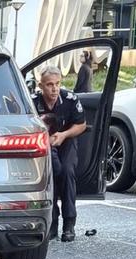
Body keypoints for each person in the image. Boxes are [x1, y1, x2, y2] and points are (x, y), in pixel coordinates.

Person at [32, 65, 86, 242]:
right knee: (52, 175)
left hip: (66, 139)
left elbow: (81, 125)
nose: (54, 89)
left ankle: (69, 223)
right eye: (49, 85)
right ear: (41, 86)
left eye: (57, 84)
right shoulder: (32, 102)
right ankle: (52, 223)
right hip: (44, 143)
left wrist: (63, 135)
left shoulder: (69, 99)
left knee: (68, 172)